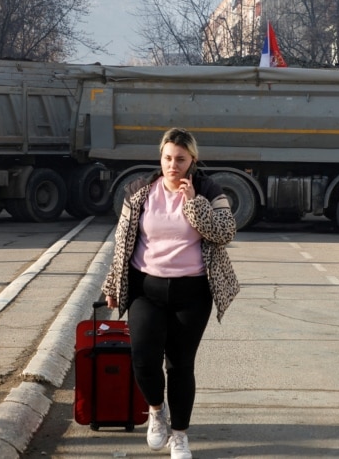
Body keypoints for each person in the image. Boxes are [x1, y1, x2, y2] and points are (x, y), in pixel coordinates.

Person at [103, 127, 239, 459]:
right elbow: (122, 242)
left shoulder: (208, 190)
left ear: (192, 159)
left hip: (192, 293)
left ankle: (179, 434)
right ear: (160, 158)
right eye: (167, 158)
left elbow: (224, 233)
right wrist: (112, 284)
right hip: (145, 290)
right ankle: (154, 411)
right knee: (144, 360)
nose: (172, 165)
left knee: (180, 366)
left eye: (180, 159)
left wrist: (193, 205)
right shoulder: (139, 191)